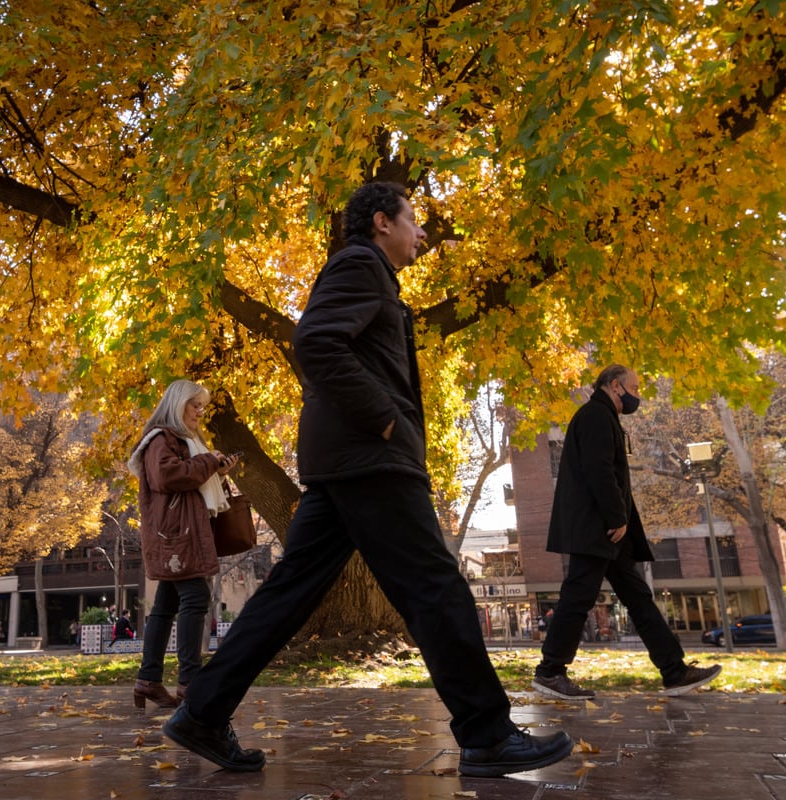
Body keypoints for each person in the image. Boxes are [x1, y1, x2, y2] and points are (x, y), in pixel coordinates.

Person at [162, 182, 574, 777]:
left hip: (347, 467)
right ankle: (486, 735)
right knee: (435, 587)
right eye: (414, 221)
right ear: (382, 222)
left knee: (288, 595)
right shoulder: (359, 264)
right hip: (369, 462)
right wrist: (384, 420)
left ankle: (201, 711)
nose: (423, 233)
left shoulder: (370, 273)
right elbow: (317, 342)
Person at [530, 365, 722, 700]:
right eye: (634, 387)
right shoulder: (594, 416)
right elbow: (598, 470)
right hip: (598, 527)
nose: (638, 394)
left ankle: (674, 671)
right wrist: (616, 517)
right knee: (579, 597)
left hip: (605, 528)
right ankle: (549, 672)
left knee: (637, 598)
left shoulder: (603, 418)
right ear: (615, 385)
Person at [126, 380, 240, 711]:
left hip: (181, 531)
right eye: (195, 405)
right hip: (176, 534)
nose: (200, 412)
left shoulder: (181, 440)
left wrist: (217, 471)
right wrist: (209, 464)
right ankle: (190, 683)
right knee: (196, 597)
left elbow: (189, 482)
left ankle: (148, 680)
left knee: (165, 605)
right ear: (178, 405)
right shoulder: (161, 439)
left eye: (202, 406)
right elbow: (168, 477)